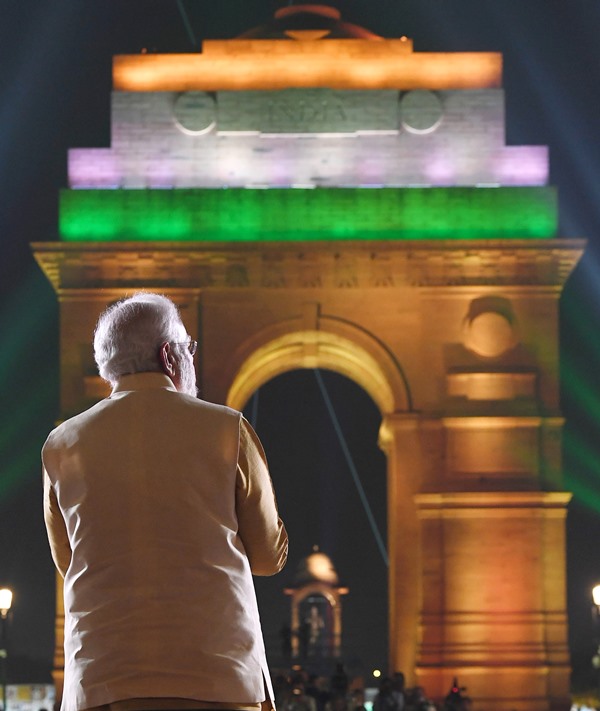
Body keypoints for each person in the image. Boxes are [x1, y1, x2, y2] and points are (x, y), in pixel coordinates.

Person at [42, 293, 288, 711]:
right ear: (170, 355)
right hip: (217, 679)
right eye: (188, 347)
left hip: (102, 682)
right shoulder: (227, 429)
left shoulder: (62, 444)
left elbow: (68, 562)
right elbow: (267, 556)